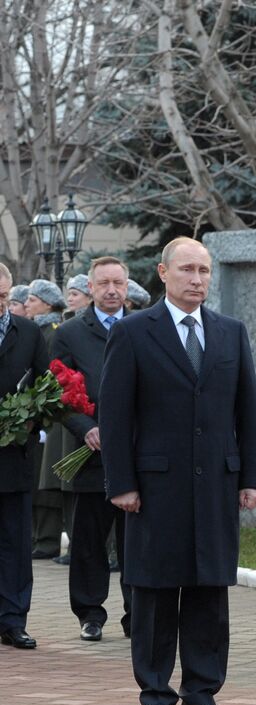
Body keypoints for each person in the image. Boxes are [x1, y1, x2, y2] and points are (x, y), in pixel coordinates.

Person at [99, 238, 256, 705]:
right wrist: (121, 483)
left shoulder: (230, 332)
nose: (197, 279)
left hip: (216, 485)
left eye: (204, 271)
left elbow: (247, 410)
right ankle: (156, 696)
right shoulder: (133, 333)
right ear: (163, 273)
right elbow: (115, 415)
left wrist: (252, 477)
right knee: (154, 593)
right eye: (188, 269)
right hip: (155, 489)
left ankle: (201, 695)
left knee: (208, 594)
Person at [52, 256, 133, 642]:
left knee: (136, 540)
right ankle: (89, 613)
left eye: (118, 283)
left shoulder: (144, 326)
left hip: (137, 453)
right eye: (104, 284)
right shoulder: (70, 333)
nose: (112, 290)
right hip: (92, 456)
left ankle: (138, 614)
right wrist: (86, 428)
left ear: (127, 286)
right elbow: (57, 392)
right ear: (91, 287)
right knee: (88, 541)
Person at [0, 264, 49, 650]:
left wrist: (33, 418)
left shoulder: (29, 332)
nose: (0, 304)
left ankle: (13, 619)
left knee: (15, 543)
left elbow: (47, 384)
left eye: (4, 296)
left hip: (14, 455)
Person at [29, 279, 75, 564]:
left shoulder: (53, 331)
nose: (27, 305)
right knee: (41, 481)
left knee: (50, 483)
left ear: (47, 304)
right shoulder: (39, 330)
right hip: (43, 416)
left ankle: (47, 540)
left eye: (32, 300)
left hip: (54, 418)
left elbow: (51, 374)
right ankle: (40, 538)